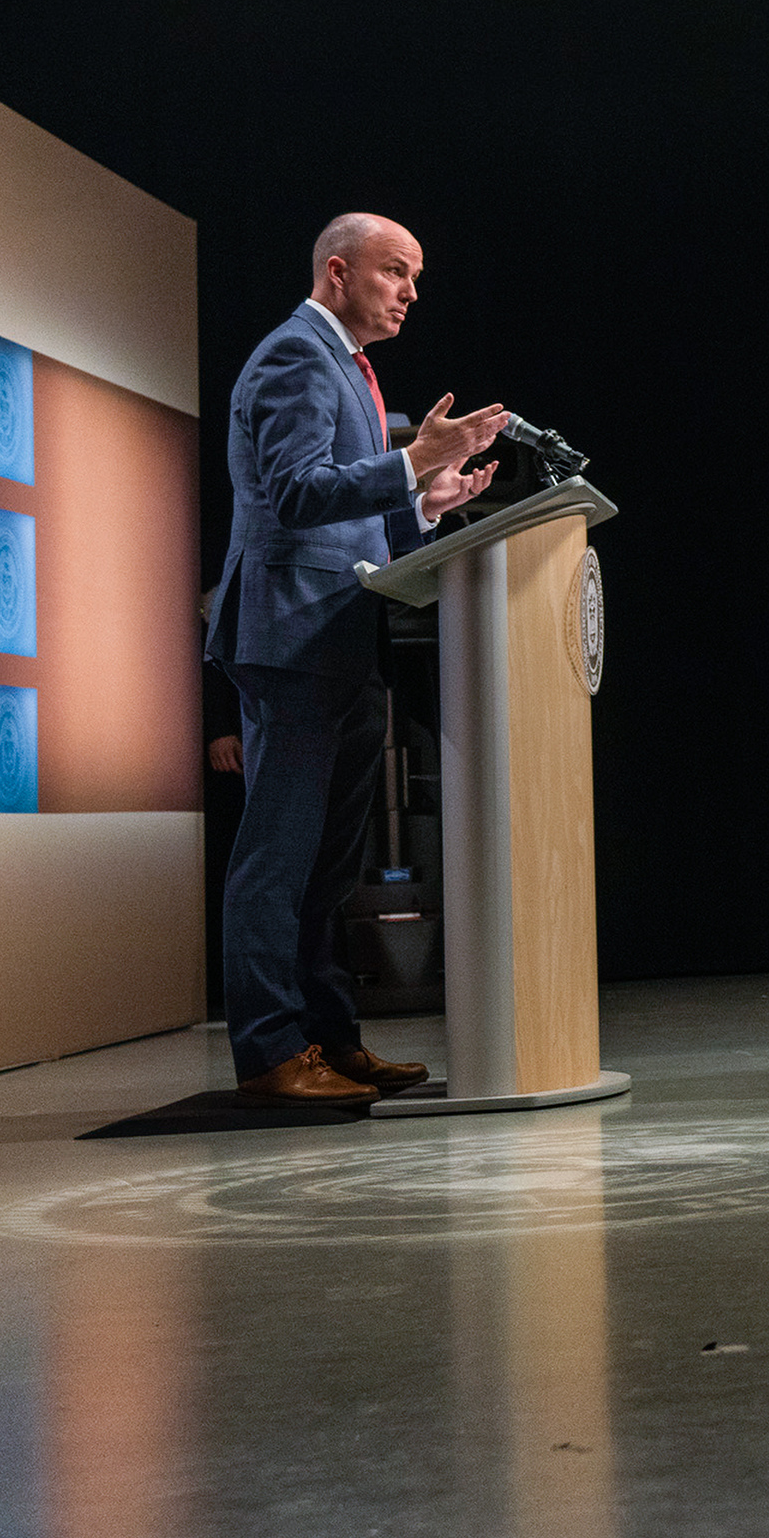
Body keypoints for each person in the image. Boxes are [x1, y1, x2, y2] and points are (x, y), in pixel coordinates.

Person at [209, 214, 508, 1107]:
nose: (410, 292)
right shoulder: (295, 356)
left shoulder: (351, 368)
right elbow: (297, 493)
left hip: (342, 634)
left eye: (416, 277)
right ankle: (269, 1052)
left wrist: (425, 501)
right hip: (292, 637)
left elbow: (348, 513)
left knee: (327, 868)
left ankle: (330, 1042)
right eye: (395, 272)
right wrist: (411, 460)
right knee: (278, 859)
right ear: (338, 272)